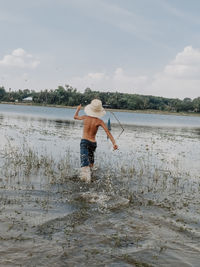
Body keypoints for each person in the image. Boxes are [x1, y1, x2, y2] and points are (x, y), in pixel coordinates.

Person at [74, 99, 118, 183]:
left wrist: (78, 109)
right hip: (93, 143)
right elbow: (108, 132)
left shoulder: (85, 117)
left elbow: (75, 117)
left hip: (84, 142)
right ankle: (91, 178)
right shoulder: (99, 121)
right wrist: (114, 143)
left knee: (84, 163)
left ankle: (87, 181)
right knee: (91, 162)